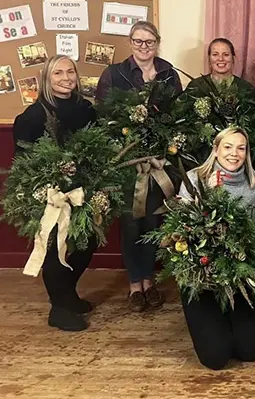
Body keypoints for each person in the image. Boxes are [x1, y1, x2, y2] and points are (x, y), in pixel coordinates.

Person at [95, 20, 183, 313]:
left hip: (159, 162)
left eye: (149, 42)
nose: (144, 47)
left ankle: (149, 280)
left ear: (157, 43)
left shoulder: (169, 72)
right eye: (138, 41)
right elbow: (104, 118)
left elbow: (177, 114)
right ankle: (135, 284)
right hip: (127, 163)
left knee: (153, 223)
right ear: (130, 43)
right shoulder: (114, 74)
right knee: (131, 224)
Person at [12, 55, 97, 331]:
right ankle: (59, 308)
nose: (66, 78)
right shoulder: (34, 115)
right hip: (49, 193)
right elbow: (24, 160)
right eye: (58, 73)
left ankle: (67, 294)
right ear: (47, 79)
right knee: (55, 247)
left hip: (83, 188)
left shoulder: (85, 108)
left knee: (87, 242)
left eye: (70, 72)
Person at [176, 127, 255, 370]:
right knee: (215, 359)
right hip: (203, 275)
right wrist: (207, 196)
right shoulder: (195, 179)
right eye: (227, 147)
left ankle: (234, 322)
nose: (234, 154)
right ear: (215, 150)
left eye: (241, 148)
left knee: (249, 351)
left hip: (241, 272)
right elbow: (181, 227)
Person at [186, 38, 253, 92]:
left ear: (233, 58)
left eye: (226, 54)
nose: (220, 59)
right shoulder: (196, 86)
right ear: (209, 59)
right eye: (215, 54)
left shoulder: (246, 89)